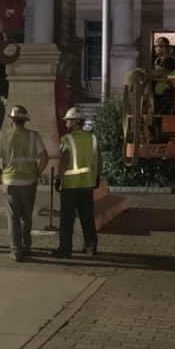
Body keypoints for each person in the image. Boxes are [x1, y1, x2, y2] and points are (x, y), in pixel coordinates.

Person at [0, 105, 48, 262]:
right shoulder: (33, 136)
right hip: (29, 182)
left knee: (13, 218)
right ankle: (26, 246)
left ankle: (16, 250)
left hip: (10, 183)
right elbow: (44, 158)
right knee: (26, 216)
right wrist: (37, 173)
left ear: (12, 120)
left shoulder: (3, 137)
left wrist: (0, 175)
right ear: (25, 121)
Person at [52, 107, 102, 259]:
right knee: (87, 217)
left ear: (74, 122)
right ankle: (90, 246)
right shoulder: (92, 138)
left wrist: (59, 178)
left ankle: (65, 249)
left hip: (70, 185)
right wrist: (97, 176)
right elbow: (99, 159)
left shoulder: (67, 139)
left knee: (67, 219)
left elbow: (65, 160)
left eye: (68, 120)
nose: (66, 123)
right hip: (87, 184)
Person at [152, 36, 175, 115]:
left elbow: (160, 73)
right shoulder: (158, 60)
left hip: (168, 93)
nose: (157, 48)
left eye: (160, 46)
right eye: (156, 46)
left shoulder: (170, 60)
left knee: (162, 115)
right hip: (158, 93)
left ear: (167, 48)